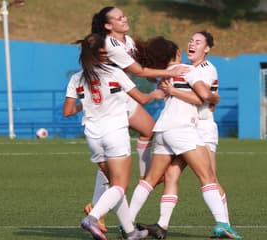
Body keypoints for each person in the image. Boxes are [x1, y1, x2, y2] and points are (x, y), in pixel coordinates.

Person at [84, 6, 189, 232]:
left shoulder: (127, 41)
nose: (124, 19)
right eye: (118, 17)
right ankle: (97, 208)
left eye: (124, 15)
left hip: (121, 97)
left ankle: (143, 176)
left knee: (148, 131)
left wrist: (159, 75)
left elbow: (141, 69)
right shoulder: (111, 45)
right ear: (108, 25)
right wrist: (168, 73)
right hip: (111, 103)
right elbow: (139, 71)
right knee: (111, 167)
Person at [126, 35, 237, 239]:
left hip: (165, 129)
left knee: (155, 178)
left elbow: (156, 82)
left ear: (207, 49)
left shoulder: (174, 72)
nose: (191, 44)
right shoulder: (188, 69)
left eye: (198, 42)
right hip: (184, 129)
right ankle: (223, 223)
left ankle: (130, 223)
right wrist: (215, 96)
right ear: (177, 53)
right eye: (190, 42)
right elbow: (203, 95)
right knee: (208, 177)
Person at [63, 33, 164, 240]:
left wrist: (88, 102)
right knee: (119, 186)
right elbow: (142, 99)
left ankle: (130, 232)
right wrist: (157, 94)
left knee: (114, 187)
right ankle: (92, 218)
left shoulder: (77, 77)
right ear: (102, 52)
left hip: (93, 137)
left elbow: (68, 111)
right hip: (115, 134)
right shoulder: (114, 73)